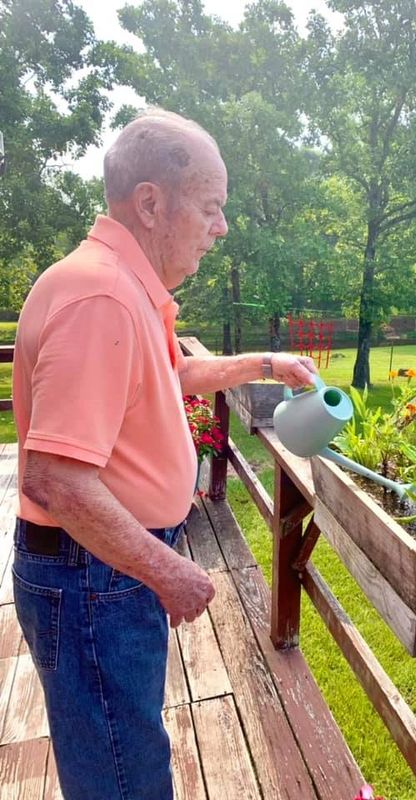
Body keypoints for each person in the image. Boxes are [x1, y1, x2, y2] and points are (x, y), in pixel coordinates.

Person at [11, 108, 317, 800]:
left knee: (120, 751)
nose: (223, 227)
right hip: (95, 580)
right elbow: (54, 477)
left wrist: (262, 362)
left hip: (100, 573)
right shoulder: (102, 297)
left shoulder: (122, 287)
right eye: (212, 207)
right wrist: (167, 571)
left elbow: (166, 376)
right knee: (124, 774)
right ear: (151, 203)